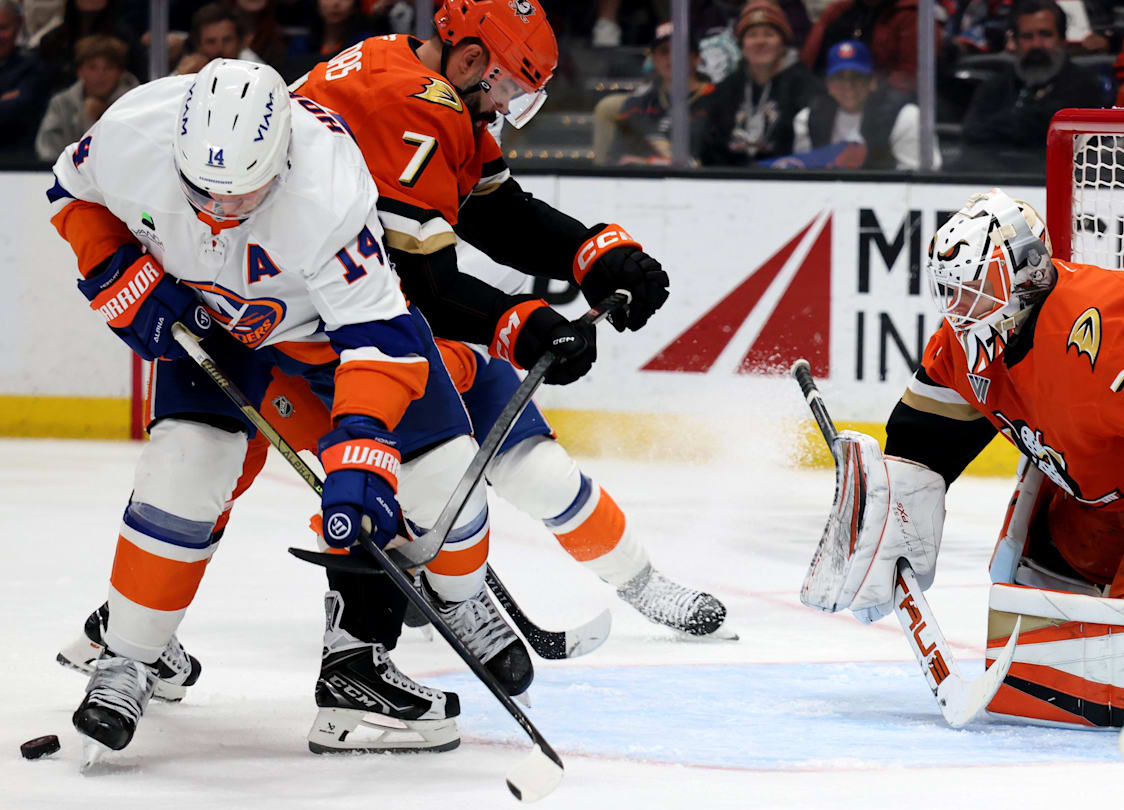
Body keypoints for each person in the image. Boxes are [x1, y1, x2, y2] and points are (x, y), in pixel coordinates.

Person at [55, 0, 725, 709]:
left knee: (504, 465)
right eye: (508, 87)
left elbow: (491, 209)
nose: (508, 106)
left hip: (353, 313)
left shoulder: (413, 71)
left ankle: (616, 585)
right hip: (316, 325)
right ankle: (329, 652)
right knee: (248, 473)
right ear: (470, 59)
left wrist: (592, 253)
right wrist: (523, 324)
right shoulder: (411, 106)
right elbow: (422, 284)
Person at [47, 58, 554, 757]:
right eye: (203, 193)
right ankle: (128, 658)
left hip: (327, 335)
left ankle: (458, 596)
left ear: (282, 161)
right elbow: (72, 193)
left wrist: (363, 446)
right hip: (213, 325)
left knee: (444, 487)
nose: (219, 214)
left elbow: (375, 339)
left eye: (242, 196)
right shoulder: (134, 130)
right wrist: (115, 271)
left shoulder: (328, 186)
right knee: (185, 466)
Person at [801, 189, 1124, 732]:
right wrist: (882, 512)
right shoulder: (968, 342)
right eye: (951, 292)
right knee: (1045, 579)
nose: (962, 308)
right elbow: (923, 441)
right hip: (1110, 491)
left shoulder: (1105, 328)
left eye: (978, 288)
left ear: (1028, 274)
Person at [959, 0, 1107, 150]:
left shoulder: (1086, 88)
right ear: (1015, 42)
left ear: (1062, 40)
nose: (1036, 44)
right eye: (1027, 36)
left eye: (1045, 35)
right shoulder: (994, 88)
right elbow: (972, 135)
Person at [700, 0, 822, 166]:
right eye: (752, 35)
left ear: (783, 43)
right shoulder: (726, 91)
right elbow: (711, 148)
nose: (760, 41)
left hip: (787, 183)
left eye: (769, 34)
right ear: (742, 46)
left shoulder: (806, 88)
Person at [792, 39, 936, 170]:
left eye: (857, 76)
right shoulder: (807, 120)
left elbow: (920, 181)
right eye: (839, 78)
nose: (848, 86)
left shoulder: (906, 117)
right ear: (829, 85)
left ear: (872, 82)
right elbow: (806, 175)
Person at [608, 21, 717, 165]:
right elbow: (617, 158)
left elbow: (723, 160)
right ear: (654, 60)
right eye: (664, 51)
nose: (671, 58)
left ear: (696, 58)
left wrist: (651, 163)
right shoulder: (637, 104)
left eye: (679, 50)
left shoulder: (719, 100)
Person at [802, 0, 943, 93]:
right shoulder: (839, 10)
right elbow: (812, 61)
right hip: (833, 93)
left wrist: (867, 88)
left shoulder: (912, 14)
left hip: (885, 102)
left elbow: (912, 78)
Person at [34, 33, 136, 162]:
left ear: (121, 72)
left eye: (109, 68)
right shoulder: (61, 103)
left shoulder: (135, 105)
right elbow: (48, 150)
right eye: (92, 67)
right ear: (80, 71)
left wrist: (94, 118)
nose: (100, 75)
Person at [0, 0, 47, 157]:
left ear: (18, 25)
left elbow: (19, 110)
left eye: (3, 28)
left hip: (19, 163)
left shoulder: (33, 67)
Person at [172, 3, 260, 75]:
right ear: (198, 45)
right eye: (211, 42)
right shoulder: (190, 67)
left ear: (239, 42)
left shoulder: (256, 70)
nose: (220, 48)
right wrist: (181, 77)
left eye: (227, 40)